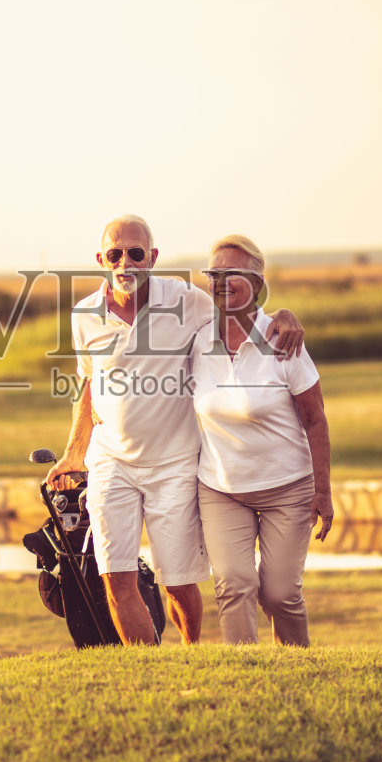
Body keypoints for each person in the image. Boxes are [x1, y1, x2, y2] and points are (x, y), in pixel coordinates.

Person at [44, 215, 303, 646]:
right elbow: (89, 383)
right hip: (112, 462)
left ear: (153, 257)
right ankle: (149, 669)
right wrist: (75, 451)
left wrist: (284, 315)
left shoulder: (185, 300)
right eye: (115, 254)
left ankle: (189, 652)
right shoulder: (84, 316)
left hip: (175, 465)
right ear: (101, 260)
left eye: (135, 252)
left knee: (179, 584)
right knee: (116, 577)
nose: (125, 261)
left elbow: (239, 309)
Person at [189, 235, 332, 647]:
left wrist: (323, 490)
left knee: (280, 594)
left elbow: (316, 420)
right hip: (222, 489)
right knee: (233, 585)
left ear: (257, 281)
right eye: (214, 274)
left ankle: (298, 671)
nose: (221, 281)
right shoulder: (198, 341)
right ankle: (245, 678)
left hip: (287, 488)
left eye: (232, 274)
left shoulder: (283, 339)